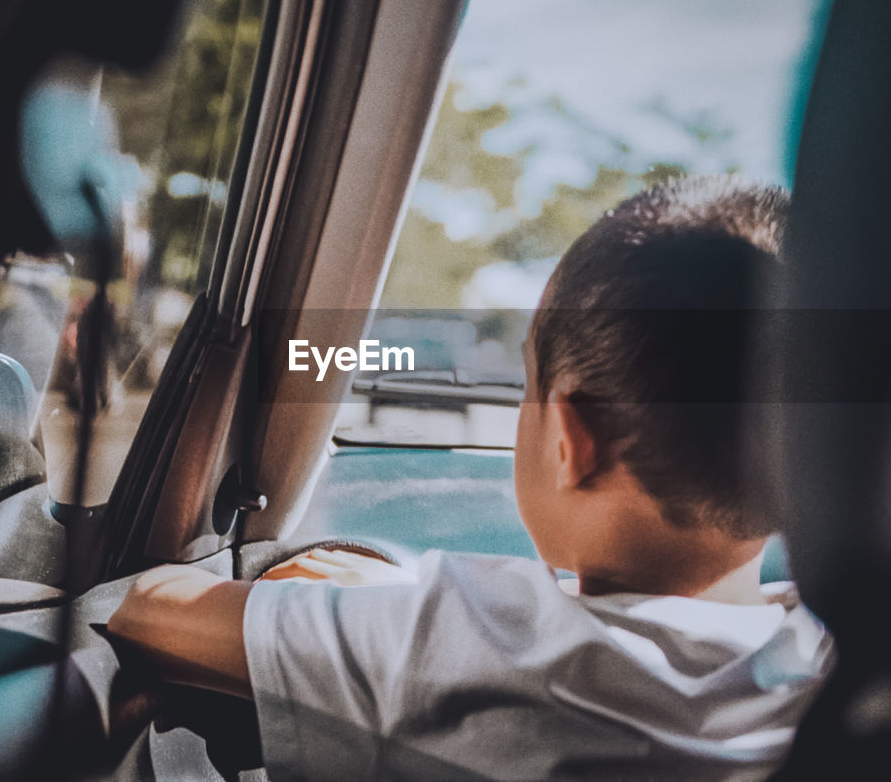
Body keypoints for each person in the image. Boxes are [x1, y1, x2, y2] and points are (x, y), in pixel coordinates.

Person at [108, 175, 834, 779]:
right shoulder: (832, 667)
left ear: (574, 440)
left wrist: (389, 601)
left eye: (525, 384)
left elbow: (148, 611)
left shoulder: (460, 644)